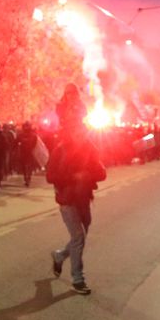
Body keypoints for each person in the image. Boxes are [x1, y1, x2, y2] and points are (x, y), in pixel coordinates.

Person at [46, 96, 106, 296]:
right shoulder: (60, 150)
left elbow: (102, 173)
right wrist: (72, 177)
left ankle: (60, 256)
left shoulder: (90, 149)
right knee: (78, 237)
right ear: (70, 131)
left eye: (82, 129)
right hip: (67, 200)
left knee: (79, 238)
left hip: (84, 200)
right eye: (76, 130)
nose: (80, 133)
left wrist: (87, 174)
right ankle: (77, 279)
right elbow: (50, 176)